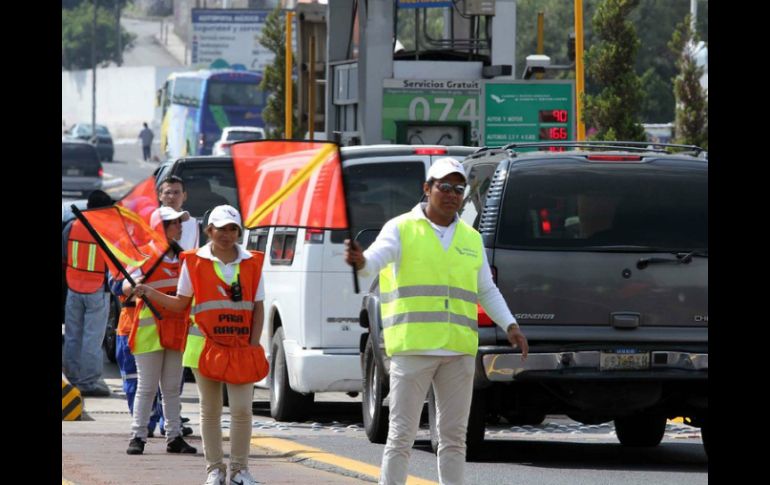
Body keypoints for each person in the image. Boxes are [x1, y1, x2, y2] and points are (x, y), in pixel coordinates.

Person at [344, 157, 529, 485]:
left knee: (455, 439)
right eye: (444, 186)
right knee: (401, 437)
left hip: (458, 352)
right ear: (427, 188)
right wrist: (360, 261)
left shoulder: (470, 239)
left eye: (459, 188)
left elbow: (485, 289)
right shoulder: (401, 228)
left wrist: (510, 326)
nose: (452, 194)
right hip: (413, 349)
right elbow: (372, 263)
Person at [133, 205, 268, 485]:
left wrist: (253, 346)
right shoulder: (193, 261)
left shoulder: (252, 262)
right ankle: (215, 470)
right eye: (220, 228)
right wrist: (150, 292)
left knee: (242, 410)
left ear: (239, 232)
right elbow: (181, 303)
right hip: (205, 348)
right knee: (211, 410)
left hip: (240, 348)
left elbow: (258, 308)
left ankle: (240, 470)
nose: (226, 235)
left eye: (232, 229)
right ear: (209, 230)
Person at [124, 206, 197, 456]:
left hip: (176, 328)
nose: (179, 226)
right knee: (147, 387)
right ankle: (138, 436)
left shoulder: (184, 257)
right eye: (174, 222)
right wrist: (133, 285)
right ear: (160, 227)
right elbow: (124, 285)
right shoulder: (145, 256)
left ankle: (174, 436)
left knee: (172, 387)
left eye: (179, 222)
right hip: (149, 331)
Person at [63, 189, 115, 397]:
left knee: (73, 335)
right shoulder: (106, 231)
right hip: (97, 290)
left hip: (73, 287)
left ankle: (73, 379)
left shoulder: (72, 226)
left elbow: (65, 255)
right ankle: (88, 382)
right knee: (93, 338)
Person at [108, 271, 165, 437]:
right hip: (131, 328)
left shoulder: (164, 256)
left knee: (167, 383)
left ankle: (166, 422)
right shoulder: (124, 257)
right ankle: (145, 422)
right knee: (135, 381)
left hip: (159, 328)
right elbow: (116, 286)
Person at [159, 175, 200, 250]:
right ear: (160, 196)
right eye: (167, 192)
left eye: (176, 192)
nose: (172, 196)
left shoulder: (192, 223)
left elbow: (194, 252)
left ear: (184, 196)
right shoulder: (151, 220)